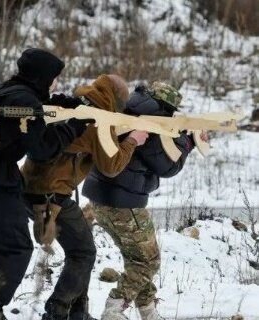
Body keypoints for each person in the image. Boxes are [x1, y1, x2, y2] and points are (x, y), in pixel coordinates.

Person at [0, 48, 94, 320]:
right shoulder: (24, 100)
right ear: (43, 76)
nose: (56, 82)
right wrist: (74, 126)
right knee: (16, 249)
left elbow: (18, 124)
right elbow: (42, 149)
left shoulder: (7, 91)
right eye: (54, 78)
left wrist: (57, 105)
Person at [21, 74, 149, 320]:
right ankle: (57, 311)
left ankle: (78, 312)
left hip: (33, 189)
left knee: (80, 250)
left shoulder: (75, 107)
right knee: (84, 253)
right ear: (116, 100)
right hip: (50, 196)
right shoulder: (97, 121)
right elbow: (111, 165)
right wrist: (133, 139)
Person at [82, 82, 203, 320]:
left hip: (101, 197)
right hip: (124, 202)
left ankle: (148, 311)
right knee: (149, 261)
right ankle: (114, 308)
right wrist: (189, 143)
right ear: (168, 107)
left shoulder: (127, 109)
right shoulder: (152, 121)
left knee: (136, 258)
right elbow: (168, 166)